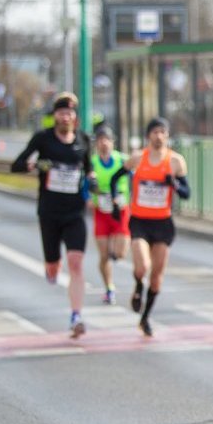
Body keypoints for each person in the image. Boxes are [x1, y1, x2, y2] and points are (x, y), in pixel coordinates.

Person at [10, 92, 92, 338]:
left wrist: (92, 180)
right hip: (49, 212)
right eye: (61, 112)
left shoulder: (83, 140)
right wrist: (35, 165)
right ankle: (51, 267)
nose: (66, 117)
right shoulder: (43, 140)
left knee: (76, 263)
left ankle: (76, 315)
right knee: (54, 266)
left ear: (75, 116)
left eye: (70, 113)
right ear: (55, 116)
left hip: (75, 212)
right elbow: (16, 165)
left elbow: (88, 169)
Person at [115, 117, 190, 337]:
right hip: (139, 221)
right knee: (142, 267)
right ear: (148, 135)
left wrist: (173, 184)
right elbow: (115, 178)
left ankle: (145, 317)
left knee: (157, 277)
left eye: (163, 132)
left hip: (163, 224)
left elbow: (187, 193)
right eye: (155, 132)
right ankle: (138, 284)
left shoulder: (176, 161)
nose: (159, 136)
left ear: (167, 136)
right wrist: (115, 197)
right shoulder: (138, 158)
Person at [89, 125, 131, 304]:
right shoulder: (92, 162)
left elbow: (137, 177)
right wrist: (88, 197)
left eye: (106, 139)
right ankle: (109, 288)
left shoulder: (122, 160)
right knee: (104, 255)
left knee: (120, 253)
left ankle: (116, 250)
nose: (103, 143)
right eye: (100, 140)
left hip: (120, 210)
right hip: (101, 212)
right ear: (96, 144)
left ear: (112, 142)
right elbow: (85, 184)